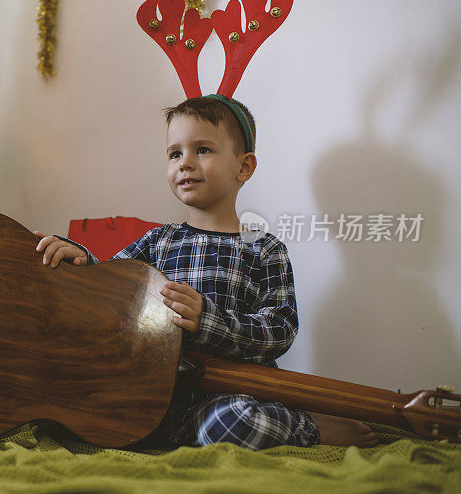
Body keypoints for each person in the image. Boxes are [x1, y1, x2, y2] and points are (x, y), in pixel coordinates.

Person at [33, 96, 379, 450]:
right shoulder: (159, 240)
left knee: (235, 425)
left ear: (243, 167)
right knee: (65, 417)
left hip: (222, 399)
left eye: (202, 150)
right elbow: (112, 284)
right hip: (148, 398)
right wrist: (83, 259)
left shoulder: (264, 249)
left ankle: (308, 426)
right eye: (174, 154)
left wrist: (208, 320)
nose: (185, 164)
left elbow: (280, 329)